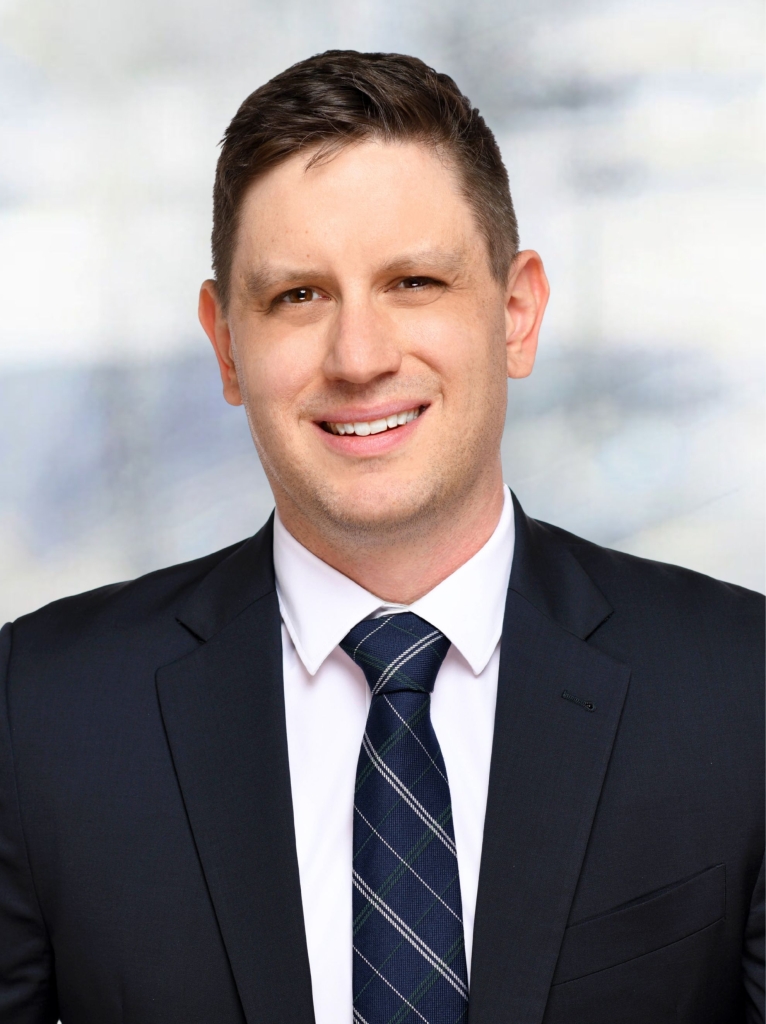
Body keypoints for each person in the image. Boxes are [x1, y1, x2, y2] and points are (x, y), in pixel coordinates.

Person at [0, 49, 762, 1024]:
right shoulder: (42, 716)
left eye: (412, 281)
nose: (358, 358)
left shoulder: (740, 691)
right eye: (299, 296)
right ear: (225, 343)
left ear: (516, 313)